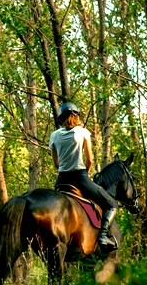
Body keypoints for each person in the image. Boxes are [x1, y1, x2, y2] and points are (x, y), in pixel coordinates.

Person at [49, 101, 118, 250]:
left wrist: (63, 167)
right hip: (80, 178)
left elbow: (56, 163)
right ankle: (103, 236)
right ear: (76, 116)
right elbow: (90, 160)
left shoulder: (54, 135)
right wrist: (85, 171)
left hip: (61, 180)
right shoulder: (83, 132)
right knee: (111, 204)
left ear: (61, 117)